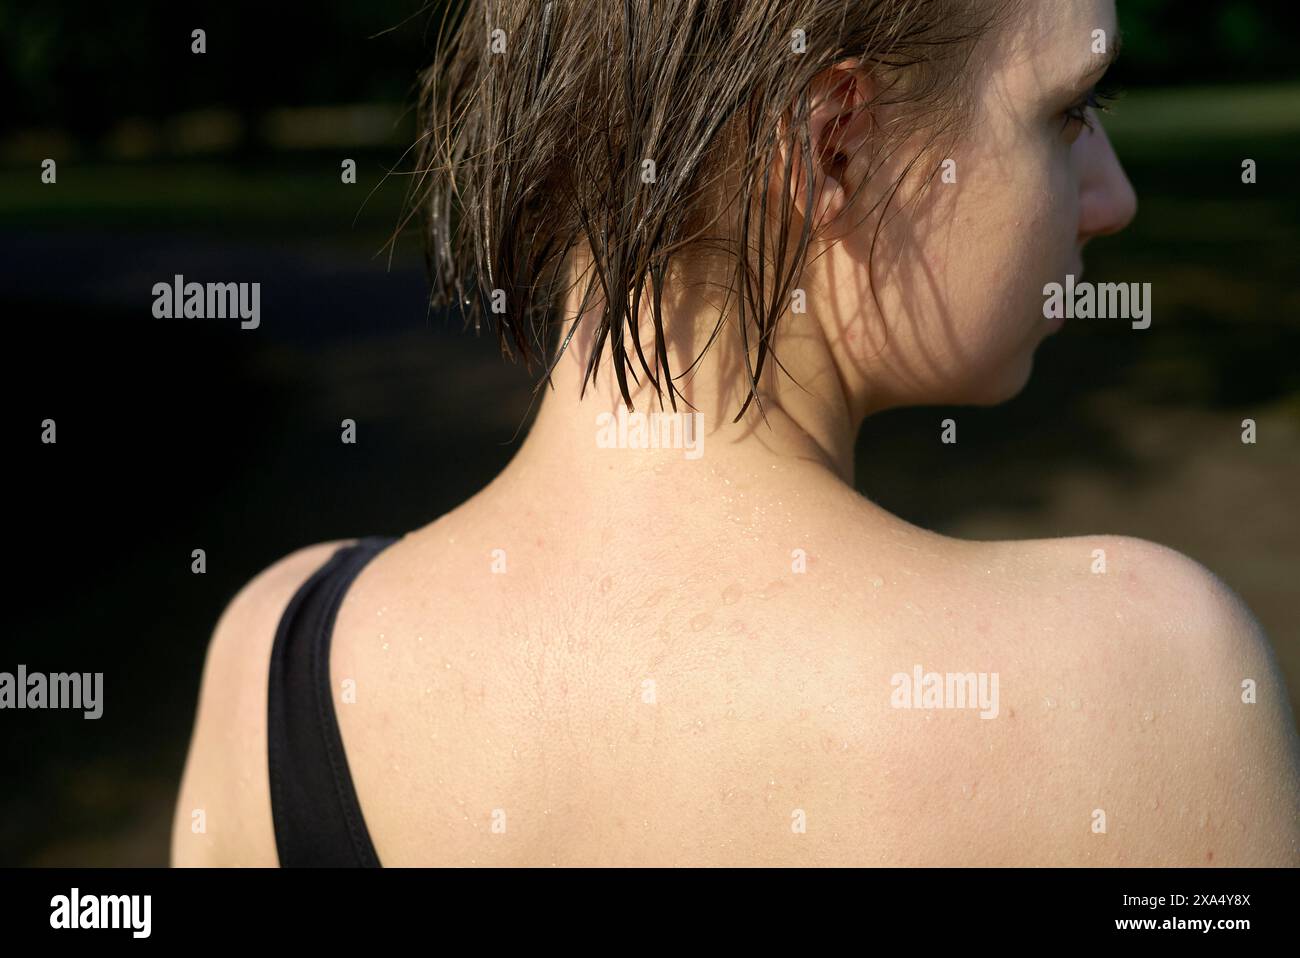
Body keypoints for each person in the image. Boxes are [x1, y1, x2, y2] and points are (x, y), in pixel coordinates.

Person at [171, 0, 1300, 866]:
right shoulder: (1143, 677)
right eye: (1066, 112)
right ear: (832, 145)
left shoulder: (278, 666)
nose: (1111, 196)